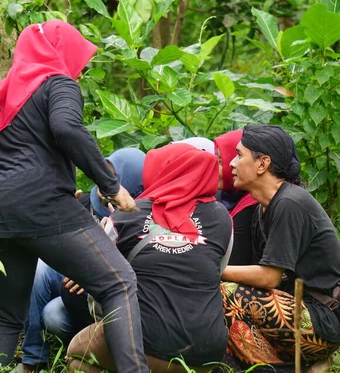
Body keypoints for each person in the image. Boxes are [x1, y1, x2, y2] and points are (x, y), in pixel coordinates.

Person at [0, 20, 149, 372]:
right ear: (61, 54)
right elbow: (67, 127)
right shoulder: (56, 83)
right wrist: (110, 185)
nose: (78, 71)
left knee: (4, 315)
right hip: (42, 207)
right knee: (119, 283)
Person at [65, 143, 233, 372]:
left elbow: (100, 284)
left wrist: (109, 328)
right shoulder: (222, 218)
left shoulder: (124, 215)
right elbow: (218, 272)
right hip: (206, 354)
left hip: (143, 344)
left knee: (78, 353)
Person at [219, 125, 340, 372]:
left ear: (262, 164)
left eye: (239, 155)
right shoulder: (264, 207)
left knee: (225, 293)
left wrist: (215, 270)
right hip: (297, 309)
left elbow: (269, 277)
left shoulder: (289, 203)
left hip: (322, 320)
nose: (232, 164)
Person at [19, 147, 146, 372]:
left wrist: (90, 268)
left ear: (132, 181)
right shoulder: (85, 200)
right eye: (100, 173)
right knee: (39, 269)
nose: (103, 182)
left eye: (112, 177)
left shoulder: (140, 216)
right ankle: (33, 356)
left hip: (105, 286)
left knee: (53, 315)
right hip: (76, 274)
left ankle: (89, 347)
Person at [213, 130, 259, 265]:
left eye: (221, 162)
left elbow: (235, 260)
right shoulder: (223, 196)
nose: (213, 168)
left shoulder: (254, 203)